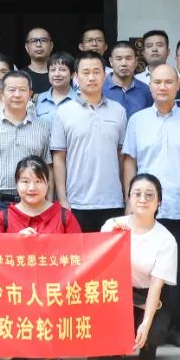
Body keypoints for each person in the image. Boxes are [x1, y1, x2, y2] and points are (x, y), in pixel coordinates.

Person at [121, 64, 180, 349]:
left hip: (179, 207)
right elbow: (130, 161)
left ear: (177, 86)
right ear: (150, 86)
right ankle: (143, 325)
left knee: (177, 272)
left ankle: (177, 329)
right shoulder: (138, 121)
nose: (162, 87)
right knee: (140, 271)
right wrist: (129, 202)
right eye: (157, 82)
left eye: (168, 82)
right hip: (142, 210)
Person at [0, 156, 81, 360]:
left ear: (48, 184)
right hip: (15, 290)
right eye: (25, 181)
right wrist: (14, 243)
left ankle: (53, 356)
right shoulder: (2, 218)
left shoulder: (64, 216)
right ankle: (21, 347)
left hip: (55, 289)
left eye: (38, 181)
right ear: (16, 184)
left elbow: (79, 256)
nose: (31, 187)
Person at [93, 174, 177, 360]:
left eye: (149, 195)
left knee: (153, 332)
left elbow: (156, 287)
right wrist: (113, 238)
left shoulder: (166, 239)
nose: (142, 199)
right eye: (137, 194)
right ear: (129, 197)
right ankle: (117, 347)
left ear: (159, 201)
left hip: (147, 296)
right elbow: (97, 266)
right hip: (116, 293)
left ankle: (146, 343)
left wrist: (146, 324)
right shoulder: (112, 225)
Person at [52, 51, 127, 233]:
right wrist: (62, 199)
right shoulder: (63, 112)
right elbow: (59, 158)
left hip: (113, 201)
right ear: (76, 77)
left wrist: (127, 197)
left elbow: (123, 158)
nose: (91, 77)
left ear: (105, 75)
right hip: (77, 202)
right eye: (85, 72)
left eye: (96, 72)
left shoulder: (118, 111)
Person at [0, 71, 52, 221]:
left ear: (30, 94)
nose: (17, 95)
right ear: (2, 93)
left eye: (22, 90)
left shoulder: (42, 127)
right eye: (12, 90)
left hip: (34, 202)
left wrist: (49, 205)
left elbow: (48, 168)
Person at [104, 40, 152, 118]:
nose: (124, 63)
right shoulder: (100, 89)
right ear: (111, 61)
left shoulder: (145, 90)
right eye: (119, 59)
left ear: (136, 62)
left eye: (128, 58)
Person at [34, 51, 75, 124]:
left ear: (72, 74)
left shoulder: (80, 100)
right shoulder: (38, 99)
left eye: (62, 70)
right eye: (53, 70)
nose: (57, 74)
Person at [23, 27, 54, 95]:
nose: (38, 45)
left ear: (51, 46)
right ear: (26, 47)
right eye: (33, 41)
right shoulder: (20, 76)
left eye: (43, 40)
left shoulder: (60, 75)